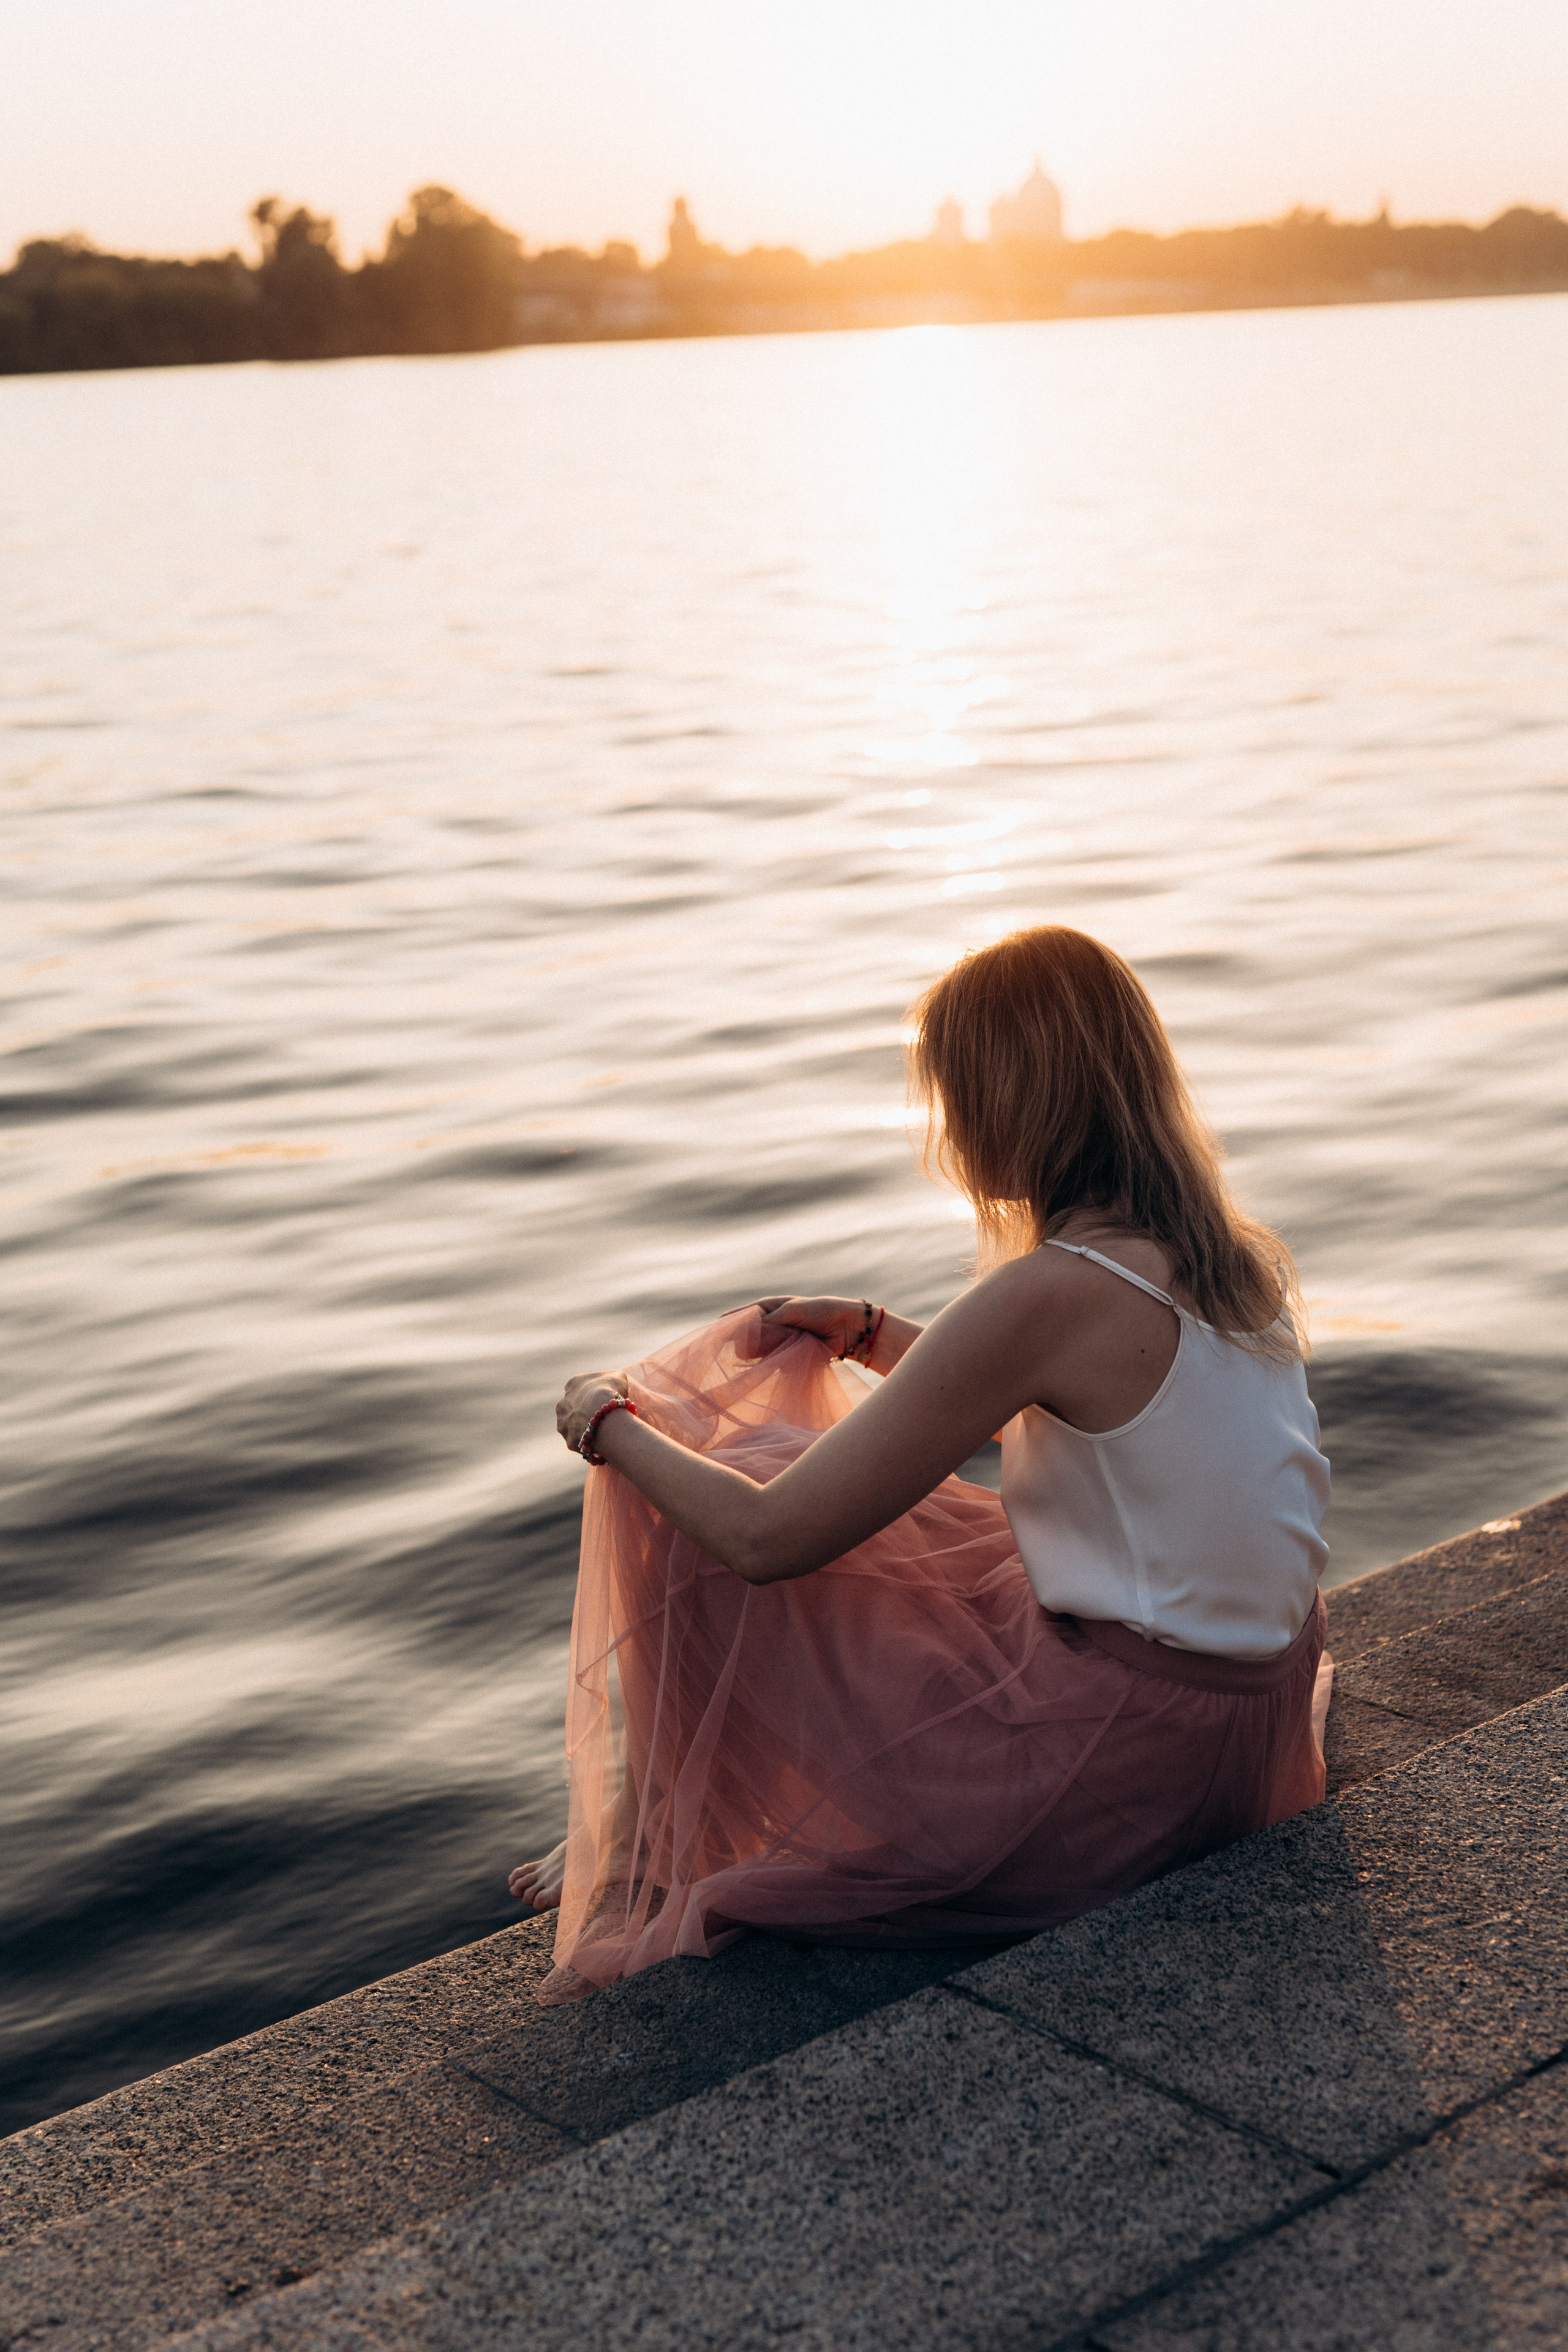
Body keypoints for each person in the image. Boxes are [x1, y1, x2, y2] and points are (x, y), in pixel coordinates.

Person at [511, 925, 1332, 2005]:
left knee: (734, 1481)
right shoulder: (1228, 1252)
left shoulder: (1053, 1291)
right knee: (884, 1517)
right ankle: (656, 1819)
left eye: (952, 1095)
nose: (945, 1129)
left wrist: (606, 1421)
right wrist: (873, 1331)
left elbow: (768, 1541)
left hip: (1117, 1768)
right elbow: (1103, 1422)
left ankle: (656, 1840)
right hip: (1244, 1719)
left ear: (1010, 1103)